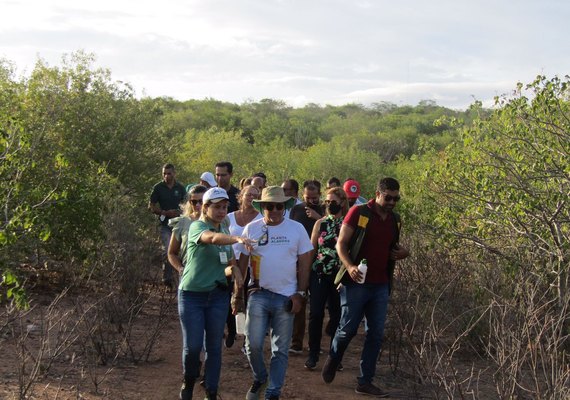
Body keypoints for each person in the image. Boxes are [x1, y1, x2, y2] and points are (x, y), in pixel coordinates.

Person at [321, 178, 410, 397]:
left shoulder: (394, 219)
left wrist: (404, 253)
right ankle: (334, 357)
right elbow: (341, 243)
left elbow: (394, 248)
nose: (391, 202)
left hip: (381, 284)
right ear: (377, 194)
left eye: (395, 198)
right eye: (388, 197)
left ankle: (365, 381)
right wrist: (350, 266)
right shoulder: (359, 212)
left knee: (376, 334)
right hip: (356, 283)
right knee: (347, 329)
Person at [177, 187, 254, 400]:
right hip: (192, 295)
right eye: (217, 207)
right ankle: (189, 379)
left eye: (225, 207)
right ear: (205, 207)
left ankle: (211, 390)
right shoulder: (197, 227)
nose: (221, 211)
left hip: (217, 296)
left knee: (214, 347)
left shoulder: (226, 233)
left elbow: (227, 265)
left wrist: (236, 273)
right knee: (193, 347)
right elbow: (210, 239)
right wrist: (238, 239)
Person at [237, 186, 313, 400]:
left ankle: (273, 392)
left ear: (285, 206)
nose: (275, 210)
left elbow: (306, 263)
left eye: (279, 206)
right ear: (263, 207)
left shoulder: (296, 229)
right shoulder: (251, 229)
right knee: (252, 345)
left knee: (280, 350)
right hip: (258, 294)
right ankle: (261, 377)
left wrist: (300, 293)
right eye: (270, 206)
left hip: (286, 297)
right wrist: (237, 295)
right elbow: (242, 266)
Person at [305, 187, 349, 370]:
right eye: (327, 201)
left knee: (337, 316)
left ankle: (334, 356)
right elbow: (311, 250)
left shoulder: (348, 224)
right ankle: (313, 353)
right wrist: (305, 276)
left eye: (334, 202)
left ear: (342, 203)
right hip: (319, 274)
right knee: (315, 314)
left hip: (339, 276)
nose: (330, 204)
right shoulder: (320, 223)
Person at [288, 180, 324, 354]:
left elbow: (335, 226)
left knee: (316, 307)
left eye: (314, 197)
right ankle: (296, 342)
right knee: (299, 299)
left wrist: (319, 218)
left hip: (320, 262)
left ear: (320, 195)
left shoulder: (325, 209)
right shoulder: (296, 210)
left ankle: (314, 344)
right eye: (307, 197)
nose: (310, 200)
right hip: (298, 260)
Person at [225, 185, 262, 348]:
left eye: (256, 195)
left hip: (251, 265)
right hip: (229, 263)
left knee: (248, 300)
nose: (252, 198)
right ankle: (232, 330)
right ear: (241, 196)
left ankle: (248, 337)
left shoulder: (261, 219)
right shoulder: (229, 217)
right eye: (249, 195)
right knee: (228, 298)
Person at [148, 163, 187, 289]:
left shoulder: (180, 188)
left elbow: (187, 205)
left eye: (169, 173)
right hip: (165, 224)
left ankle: (180, 277)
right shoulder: (158, 188)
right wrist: (164, 212)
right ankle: (167, 279)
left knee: (181, 251)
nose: (166, 176)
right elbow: (151, 206)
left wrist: (180, 212)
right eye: (164, 173)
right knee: (168, 249)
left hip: (179, 224)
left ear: (174, 173)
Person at [167, 185, 207, 274]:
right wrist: (180, 269)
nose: (197, 205)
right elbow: (171, 253)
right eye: (194, 202)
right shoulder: (182, 222)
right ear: (190, 202)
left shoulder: (216, 222)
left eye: (201, 201)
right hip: (189, 274)